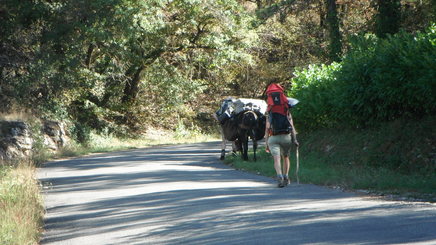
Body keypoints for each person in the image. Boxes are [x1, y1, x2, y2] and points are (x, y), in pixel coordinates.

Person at [264, 84, 299, 188]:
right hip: (286, 137)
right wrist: (295, 140)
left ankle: (279, 176)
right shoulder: (286, 110)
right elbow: (292, 126)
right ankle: (286, 176)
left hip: (273, 138)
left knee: (276, 158)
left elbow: (267, 128)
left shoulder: (269, 111)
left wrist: (266, 143)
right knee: (286, 157)